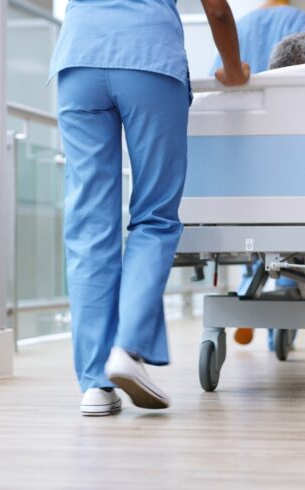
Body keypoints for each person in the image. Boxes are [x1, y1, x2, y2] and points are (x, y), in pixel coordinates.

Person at [50, 0, 249, 416]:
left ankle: (95, 384)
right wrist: (233, 68)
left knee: (89, 224)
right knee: (154, 218)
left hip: (78, 61)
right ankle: (127, 349)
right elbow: (216, 10)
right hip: (149, 60)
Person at [209, 1, 305, 350]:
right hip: (290, 140)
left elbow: (217, 81)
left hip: (246, 146)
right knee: (292, 230)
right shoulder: (302, 20)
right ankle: (282, 321)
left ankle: (248, 286)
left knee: (253, 228)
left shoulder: (240, 23)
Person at [210, 0, 305, 76]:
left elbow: (217, 75)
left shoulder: (238, 26)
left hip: (243, 108)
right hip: (285, 104)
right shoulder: (303, 21)